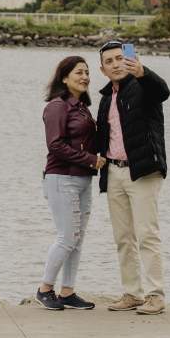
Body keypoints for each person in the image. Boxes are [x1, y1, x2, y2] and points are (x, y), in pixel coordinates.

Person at [96, 41, 170, 315]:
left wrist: (142, 71)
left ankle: (155, 295)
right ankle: (132, 293)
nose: (116, 64)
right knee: (123, 237)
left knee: (147, 235)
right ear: (102, 69)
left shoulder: (144, 86)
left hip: (142, 171)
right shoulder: (106, 98)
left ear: (130, 60)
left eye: (120, 58)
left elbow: (164, 91)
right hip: (113, 173)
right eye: (109, 61)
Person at [36, 55, 105, 311]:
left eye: (87, 72)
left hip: (83, 179)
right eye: (79, 72)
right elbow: (55, 145)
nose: (85, 77)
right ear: (64, 78)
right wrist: (91, 159)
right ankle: (44, 289)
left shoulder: (81, 107)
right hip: (60, 178)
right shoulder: (57, 106)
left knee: (77, 238)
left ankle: (67, 291)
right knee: (67, 237)